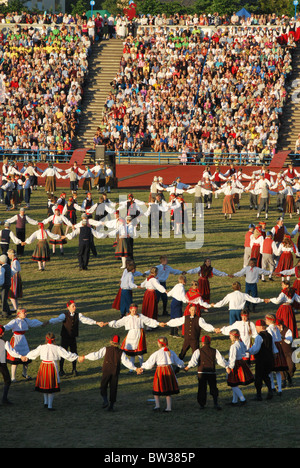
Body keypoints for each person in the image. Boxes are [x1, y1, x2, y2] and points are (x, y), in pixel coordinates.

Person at [78, 334, 141, 411]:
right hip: (115, 372)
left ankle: (105, 400)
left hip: (106, 371)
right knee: (113, 388)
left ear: (111, 341)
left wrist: (85, 357)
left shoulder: (106, 349)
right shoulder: (121, 352)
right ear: (118, 343)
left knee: (103, 386)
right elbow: (126, 362)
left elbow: (96, 355)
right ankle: (111, 406)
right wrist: (135, 368)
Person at [24, 332, 79, 411]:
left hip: (43, 366)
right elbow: (67, 354)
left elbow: (34, 353)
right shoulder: (57, 348)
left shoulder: (42, 347)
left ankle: (46, 402)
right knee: (51, 386)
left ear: (46, 338)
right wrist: (76, 357)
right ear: (54, 339)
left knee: (45, 384)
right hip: (51, 367)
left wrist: (26, 356)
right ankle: (49, 406)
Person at [48, 300, 102, 377]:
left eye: (75, 306)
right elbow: (56, 320)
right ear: (68, 307)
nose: (75, 307)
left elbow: (86, 320)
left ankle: (74, 369)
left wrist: (96, 322)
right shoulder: (64, 315)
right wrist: (49, 322)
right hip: (65, 338)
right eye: (73, 306)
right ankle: (61, 370)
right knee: (62, 353)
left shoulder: (78, 315)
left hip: (73, 338)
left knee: (74, 353)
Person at [102, 303, 165, 370]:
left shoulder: (140, 316)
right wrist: (108, 323)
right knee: (132, 352)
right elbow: (117, 323)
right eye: (133, 310)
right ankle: (131, 368)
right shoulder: (127, 318)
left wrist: (158, 323)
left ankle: (141, 367)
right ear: (130, 310)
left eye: (135, 310)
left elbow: (149, 321)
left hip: (139, 334)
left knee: (140, 352)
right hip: (131, 335)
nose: (134, 312)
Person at [141, 336, 185, 412]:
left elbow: (150, 363)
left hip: (160, 371)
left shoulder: (157, 353)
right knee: (168, 388)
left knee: (157, 387)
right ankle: (168, 408)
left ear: (159, 343)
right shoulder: (171, 352)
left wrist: (142, 367)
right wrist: (183, 366)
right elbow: (178, 361)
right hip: (169, 370)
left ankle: (157, 406)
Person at [185, 335, 227, 410]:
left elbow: (193, 362)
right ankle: (215, 403)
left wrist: (188, 367)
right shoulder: (215, 351)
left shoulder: (198, 351)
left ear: (202, 343)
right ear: (210, 342)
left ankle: (202, 405)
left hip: (202, 372)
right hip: (212, 372)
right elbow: (221, 361)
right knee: (213, 387)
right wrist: (227, 366)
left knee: (202, 388)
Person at [4, 308, 47, 382]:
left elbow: (33, 322)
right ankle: (13, 377)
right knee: (15, 359)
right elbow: (7, 326)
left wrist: (41, 323)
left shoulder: (26, 320)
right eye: (24, 313)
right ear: (18, 314)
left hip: (23, 339)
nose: (25, 314)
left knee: (26, 356)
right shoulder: (14, 321)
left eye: (25, 312)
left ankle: (25, 373)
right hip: (16, 340)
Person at [247, 319, 278, 401]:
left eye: (257, 327)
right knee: (266, 376)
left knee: (258, 377)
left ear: (260, 327)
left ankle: (258, 395)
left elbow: (256, 349)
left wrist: (248, 351)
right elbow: (274, 347)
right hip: (269, 359)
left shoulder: (259, 337)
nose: (256, 329)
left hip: (261, 360)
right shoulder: (269, 335)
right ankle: (270, 390)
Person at [225, 329, 254, 406]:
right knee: (235, 383)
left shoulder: (234, 346)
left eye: (230, 336)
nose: (229, 337)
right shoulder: (241, 343)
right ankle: (234, 401)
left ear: (234, 337)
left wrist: (229, 367)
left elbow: (232, 358)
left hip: (235, 365)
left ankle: (242, 399)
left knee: (233, 384)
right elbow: (245, 351)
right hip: (241, 362)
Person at [0, 324, 27, 405]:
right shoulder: (4, 342)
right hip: (1, 363)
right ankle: (4, 399)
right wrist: (20, 356)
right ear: (2, 333)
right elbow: (11, 352)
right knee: (7, 380)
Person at [265, 314, 288, 396]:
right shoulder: (276, 328)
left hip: (273, 348)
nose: (265, 321)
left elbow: (271, 340)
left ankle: (272, 386)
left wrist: (273, 351)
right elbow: (279, 337)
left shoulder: (268, 329)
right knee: (278, 370)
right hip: (279, 348)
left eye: (266, 320)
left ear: (269, 320)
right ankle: (280, 389)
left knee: (270, 370)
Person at [0, 254, 12, 319]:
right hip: (8, 284)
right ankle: (8, 312)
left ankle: (5, 314)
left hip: (4, 285)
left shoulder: (2, 268)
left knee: (3, 300)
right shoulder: (8, 266)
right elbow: (12, 274)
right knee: (4, 298)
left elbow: (1, 279)